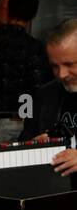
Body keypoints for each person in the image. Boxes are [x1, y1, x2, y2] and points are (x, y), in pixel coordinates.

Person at [0, 0, 50, 141]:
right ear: (33, 14)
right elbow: (39, 89)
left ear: (8, 10)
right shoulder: (33, 47)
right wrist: (28, 118)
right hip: (16, 122)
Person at [22, 19, 77, 183]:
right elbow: (25, 140)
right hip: (53, 194)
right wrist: (32, 146)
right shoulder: (45, 95)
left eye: (69, 64)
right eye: (54, 66)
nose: (61, 74)